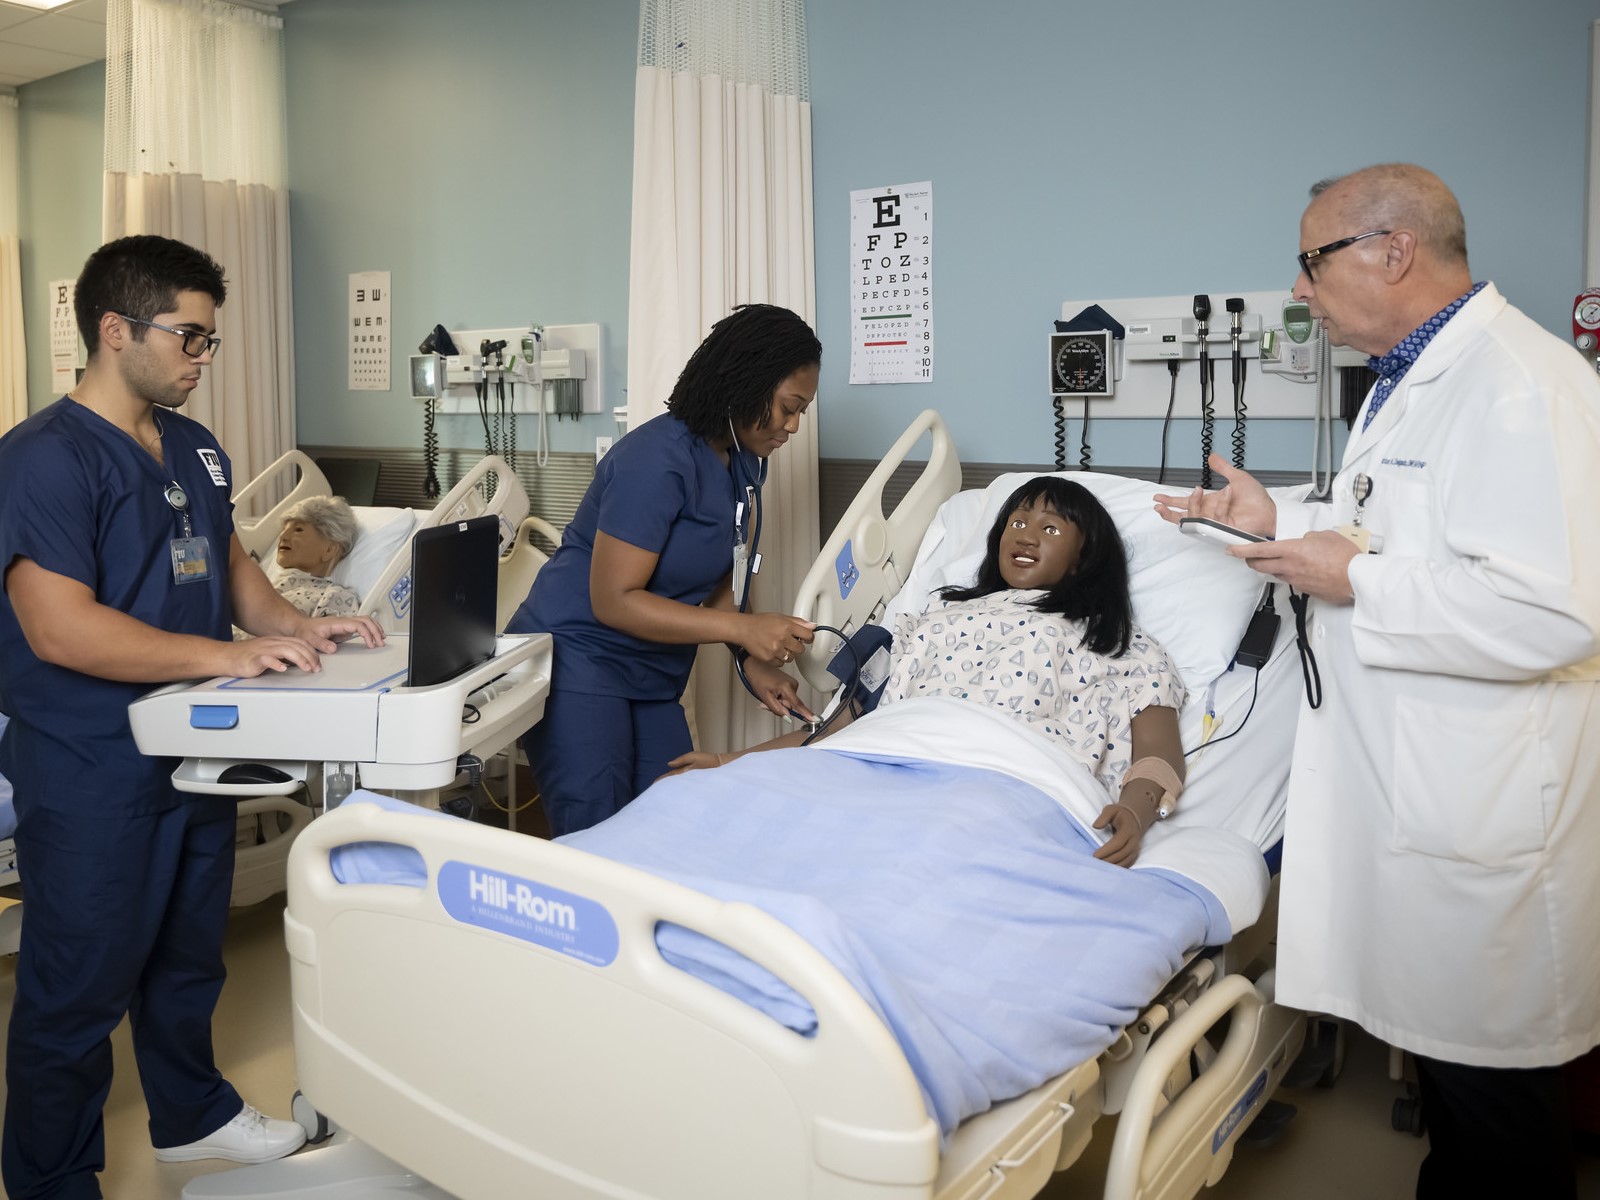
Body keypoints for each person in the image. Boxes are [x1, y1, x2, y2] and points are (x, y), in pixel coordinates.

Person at [1154, 163, 1600, 1197]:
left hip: (1477, 804)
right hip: (1422, 791)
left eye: (1311, 262)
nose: (1299, 292)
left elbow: (1554, 611)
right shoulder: (1413, 380)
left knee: (1498, 1110)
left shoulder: (1520, 386)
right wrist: (1287, 529)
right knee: (1458, 1097)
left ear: (1392, 249)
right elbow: (1405, 536)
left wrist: (1350, 576)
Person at [0, 235, 385, 1200]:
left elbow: (232, 566)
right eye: (190, 338)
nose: (202, 358)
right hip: (89, 762)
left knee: (185, 956)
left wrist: (297, 628)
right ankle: (51, 1178)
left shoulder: (196, 447)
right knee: (76, 991)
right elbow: (59, 629)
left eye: (209, 341)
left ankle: (191, 1117)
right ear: (114, 328)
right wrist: (229, 655)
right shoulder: (41, 460)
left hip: (193, 747)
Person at [672, 476, 1188, 865]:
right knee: (733, 837)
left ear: (1083, 559)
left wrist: (1137, 813)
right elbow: (840, 729)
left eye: (1050, 527)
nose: (1026, 535)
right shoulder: (934, 619)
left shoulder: (1119, 645)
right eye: (1017, 521)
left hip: (1002, 785)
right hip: (880, 766)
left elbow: (1159, 755)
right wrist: (728, 762)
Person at [507, 303, 821, 837]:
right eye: (788, 408)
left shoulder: (743, 461)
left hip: (651, 674)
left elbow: (724, 577)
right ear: (746, 385)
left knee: (671, 821)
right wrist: (744, 628)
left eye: (801, 413)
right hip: (579, 661)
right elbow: (615, 600)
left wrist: (751, 659)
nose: (792, 426)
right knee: (597, 837)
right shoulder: (657, 459)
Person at [264, 495, 362, 619]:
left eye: (298, 529)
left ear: (329, 550)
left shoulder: (335, 597)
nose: (283, 536)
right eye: (284, 529)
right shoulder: (260, 584)